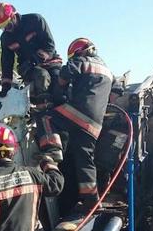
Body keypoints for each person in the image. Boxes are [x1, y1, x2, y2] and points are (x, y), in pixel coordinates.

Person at [36, 37, 112, 216]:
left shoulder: (82, 60)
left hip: (79, 112)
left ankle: (52, 151)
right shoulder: (108, 71)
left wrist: (58, 93)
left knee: (46, 118)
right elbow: (115, 94)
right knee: (84, 159)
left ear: (79, 52)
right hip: (95, 124)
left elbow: (65, 74)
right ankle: (92, 202)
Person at [0, 2, 62, 102]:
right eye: (3, 27)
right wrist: (5, 87)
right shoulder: (5, 38)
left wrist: (39, 58)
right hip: (28, 67)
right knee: (41, 76)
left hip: (50, 62)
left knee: (59, 84)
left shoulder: (35, 20)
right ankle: (42, 108)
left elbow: (49, 45)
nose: (7, 30)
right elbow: (6, 62)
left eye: (8, 25)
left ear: (14, 16)